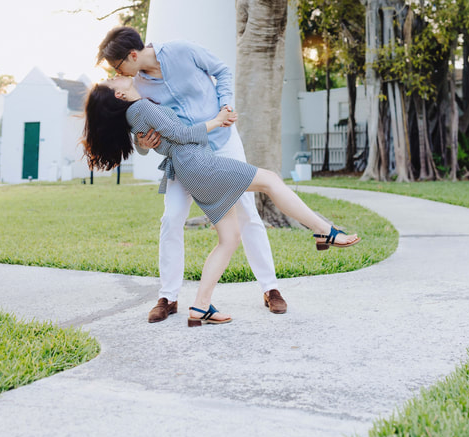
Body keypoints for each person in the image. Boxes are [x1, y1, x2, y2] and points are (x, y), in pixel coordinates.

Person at [83, 78, 361, 326]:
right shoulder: (141, 108)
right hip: (199, 163)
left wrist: (145, 142)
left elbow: (162, 139)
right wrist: (217, 120)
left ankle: (200, 306)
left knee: (229, 238)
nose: (115, 76)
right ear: (119, 95)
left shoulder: (134, 115)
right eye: (111, 80)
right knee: (271, 181)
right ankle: (324, 230)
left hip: (189, 169)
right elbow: (181, 135)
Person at [96, 27, 289, 320]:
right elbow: (144, 135)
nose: (117, 71)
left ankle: (270, 288)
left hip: (223, 142)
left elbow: (222, 70)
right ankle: (167, 297)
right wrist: (143, 144)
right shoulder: (137, 88)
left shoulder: (182, 51)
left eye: (117, 65)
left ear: (133, 55)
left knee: (247, 211)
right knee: (171, 218)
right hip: (184, 159)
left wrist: (225, 104)